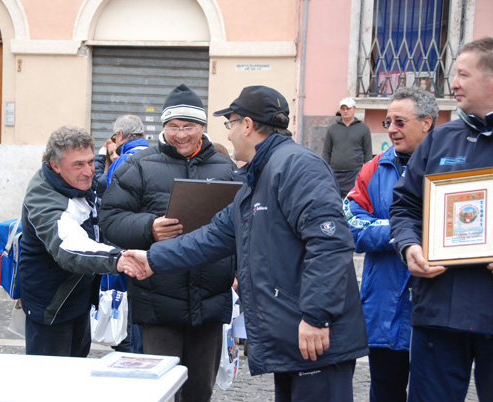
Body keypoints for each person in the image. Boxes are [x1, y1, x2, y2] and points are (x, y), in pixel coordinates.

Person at [124, 85, 369, 402]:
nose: (228, 135)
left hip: (314, 335)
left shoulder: (298, 167)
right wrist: (152, 258)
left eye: (231, 124)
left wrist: (316, 316)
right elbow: (212, 237)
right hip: (293, 336)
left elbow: (330, 245)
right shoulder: (257, 176)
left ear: (248, 125)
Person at [99, 84, 237, 402]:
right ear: (163, 128)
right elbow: (110, 221)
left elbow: (241, 226)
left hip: (210, 300)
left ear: (202, 127)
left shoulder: (226, 169)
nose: (180, 134)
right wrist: (149, 228)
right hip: (157, 299)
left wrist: (239, 271)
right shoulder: (139, 166)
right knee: (159, 392)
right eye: (173, 127)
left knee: (199, 391)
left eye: (188, 126)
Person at [389, 37, 493, 402]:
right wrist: (409, 245)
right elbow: (403, 205)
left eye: (463, 74)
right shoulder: (440, 140)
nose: (454, 83)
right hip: (439, 310)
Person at [343, 86, 439, 402]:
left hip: (432, 309)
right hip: (383, 308)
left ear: (427, 123)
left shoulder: (449, 166)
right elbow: (352, 228)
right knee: (385, 393)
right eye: (388, 122)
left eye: (400, 122)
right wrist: (405, 232)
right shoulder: (374, 169)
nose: (392, 130)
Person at [18, 125, 141, 357]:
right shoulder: (43, 197)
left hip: (78, 300)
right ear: (55, 166)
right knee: (51, 386)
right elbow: (69, 246)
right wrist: (119, 259)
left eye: (91, 162)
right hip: (52, 307)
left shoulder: (77, 183)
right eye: (78, 164)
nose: (88, 171)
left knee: (76, 377)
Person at [101, 114, 149, 354]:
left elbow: (112, 210)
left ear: (119, 136)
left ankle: (128, 347)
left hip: (126, 244)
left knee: (127, 299)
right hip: (151, 244)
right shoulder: (156, 156)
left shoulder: (123, 162)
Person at [322, 97, 372, 197]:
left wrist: (366, 171)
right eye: (343, 109)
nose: (345, 111)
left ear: (354, 109)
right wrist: (326, 169)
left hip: (355, 172)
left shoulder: (363, 129)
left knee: (353, 200)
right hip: (335, 173)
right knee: (334, 199)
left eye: (348, 108)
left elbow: (368, 153)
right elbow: (327, 152)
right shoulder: (333, 129)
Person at [105, 115, 148, 187]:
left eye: (115, 138)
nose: (115, 142)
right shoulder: (158, 156)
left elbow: (112, 195)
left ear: (120, 135)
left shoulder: (122, 162)